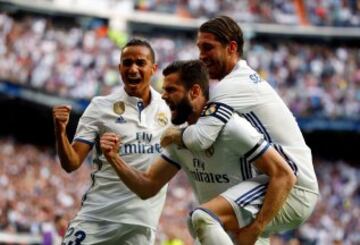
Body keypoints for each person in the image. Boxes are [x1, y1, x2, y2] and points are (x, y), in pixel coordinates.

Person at [100, 60, 318, 244]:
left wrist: (257, 226)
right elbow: (147, 186)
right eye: (164, 90)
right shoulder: (178, 138)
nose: (163, 97)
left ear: (195, 91)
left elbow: (283, 174)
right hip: (220, 230)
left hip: (245, 227)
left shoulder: (231, 128)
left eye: (171, 90)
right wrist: (114, 158)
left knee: (201, 217)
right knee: (198, 220)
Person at [52, 39, 171, 244]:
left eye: (140, 63)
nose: (133, 69)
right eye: (127, 63)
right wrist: (60, 131)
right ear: (119, 68)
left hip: (140, 225)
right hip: (97, 218)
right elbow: (71, 163)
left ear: (153, 68)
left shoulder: (170, 109)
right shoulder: (101, 106)